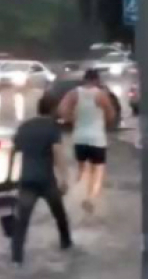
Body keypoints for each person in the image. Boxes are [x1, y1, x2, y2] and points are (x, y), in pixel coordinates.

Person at [6, 93, 73, 265]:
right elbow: (58, 153)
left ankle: (16, 258)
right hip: (46, 181)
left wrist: (8, 177)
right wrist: (64, 178)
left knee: (22, 222)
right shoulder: (52, 127)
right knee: (60, 216)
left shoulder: (24, 126)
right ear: (52, 109)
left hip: (26, 180)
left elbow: (13, 151)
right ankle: (67, 246)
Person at [59, 69, 116, 214]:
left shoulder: (73, 94)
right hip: (97, 139)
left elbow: (62, 110)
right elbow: (111, 115)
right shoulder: (100, 94)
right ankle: (90, 199)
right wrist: (103, 121)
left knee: (82, 170)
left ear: (84, 79)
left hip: (79, 137)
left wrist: (72, 120)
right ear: (96, 80)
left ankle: (75, 197)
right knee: (97, 171)